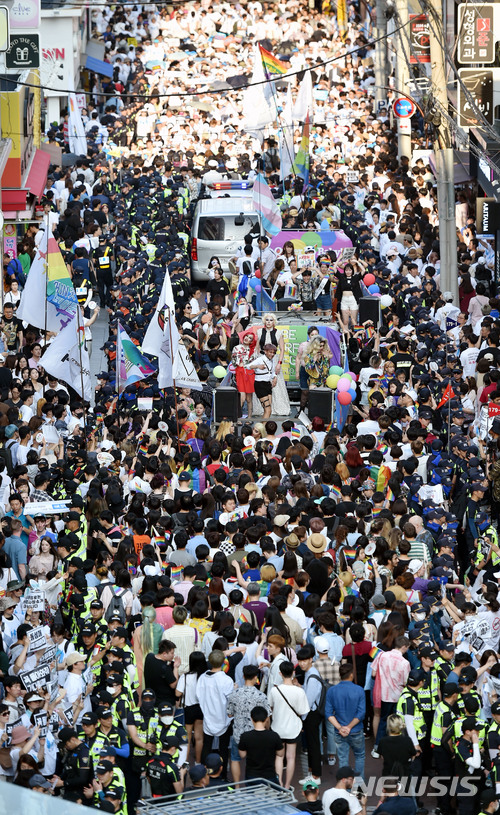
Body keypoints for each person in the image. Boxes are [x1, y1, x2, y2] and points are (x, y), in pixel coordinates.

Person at [325, 662, 366, 779]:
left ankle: (345, 785)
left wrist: (340, 727)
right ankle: (358, 785)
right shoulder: (359, 690)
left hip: (339, 732)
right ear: (351, 675)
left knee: (343, 758)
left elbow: (328, 713)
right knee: (359, 756)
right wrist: (349, 727)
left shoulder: (332, 691)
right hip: (356, 730)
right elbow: (361, 713)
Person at [238, 705, 284, 782]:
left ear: (252, 719)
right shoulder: (274, 736)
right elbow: (280, 753)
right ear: (266, 719)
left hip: (251, 775)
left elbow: (242, 755)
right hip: (270, 775)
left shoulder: (245, 736)